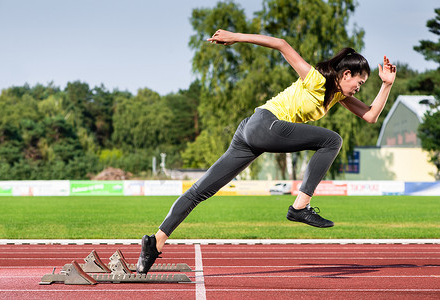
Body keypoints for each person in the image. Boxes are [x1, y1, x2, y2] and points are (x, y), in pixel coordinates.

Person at [136, 29, 397, 274]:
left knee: (200, 191)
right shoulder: (315, 78)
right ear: (346, 74)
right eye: (359, 83)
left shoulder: (337, 96)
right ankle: (299, 208)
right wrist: (235, 37)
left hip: (250, 132)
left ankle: (154, 243)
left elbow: (371, 115)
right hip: (265, 125)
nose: (358, 89)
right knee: (332, 140)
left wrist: (386, 85)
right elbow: (281, 45)